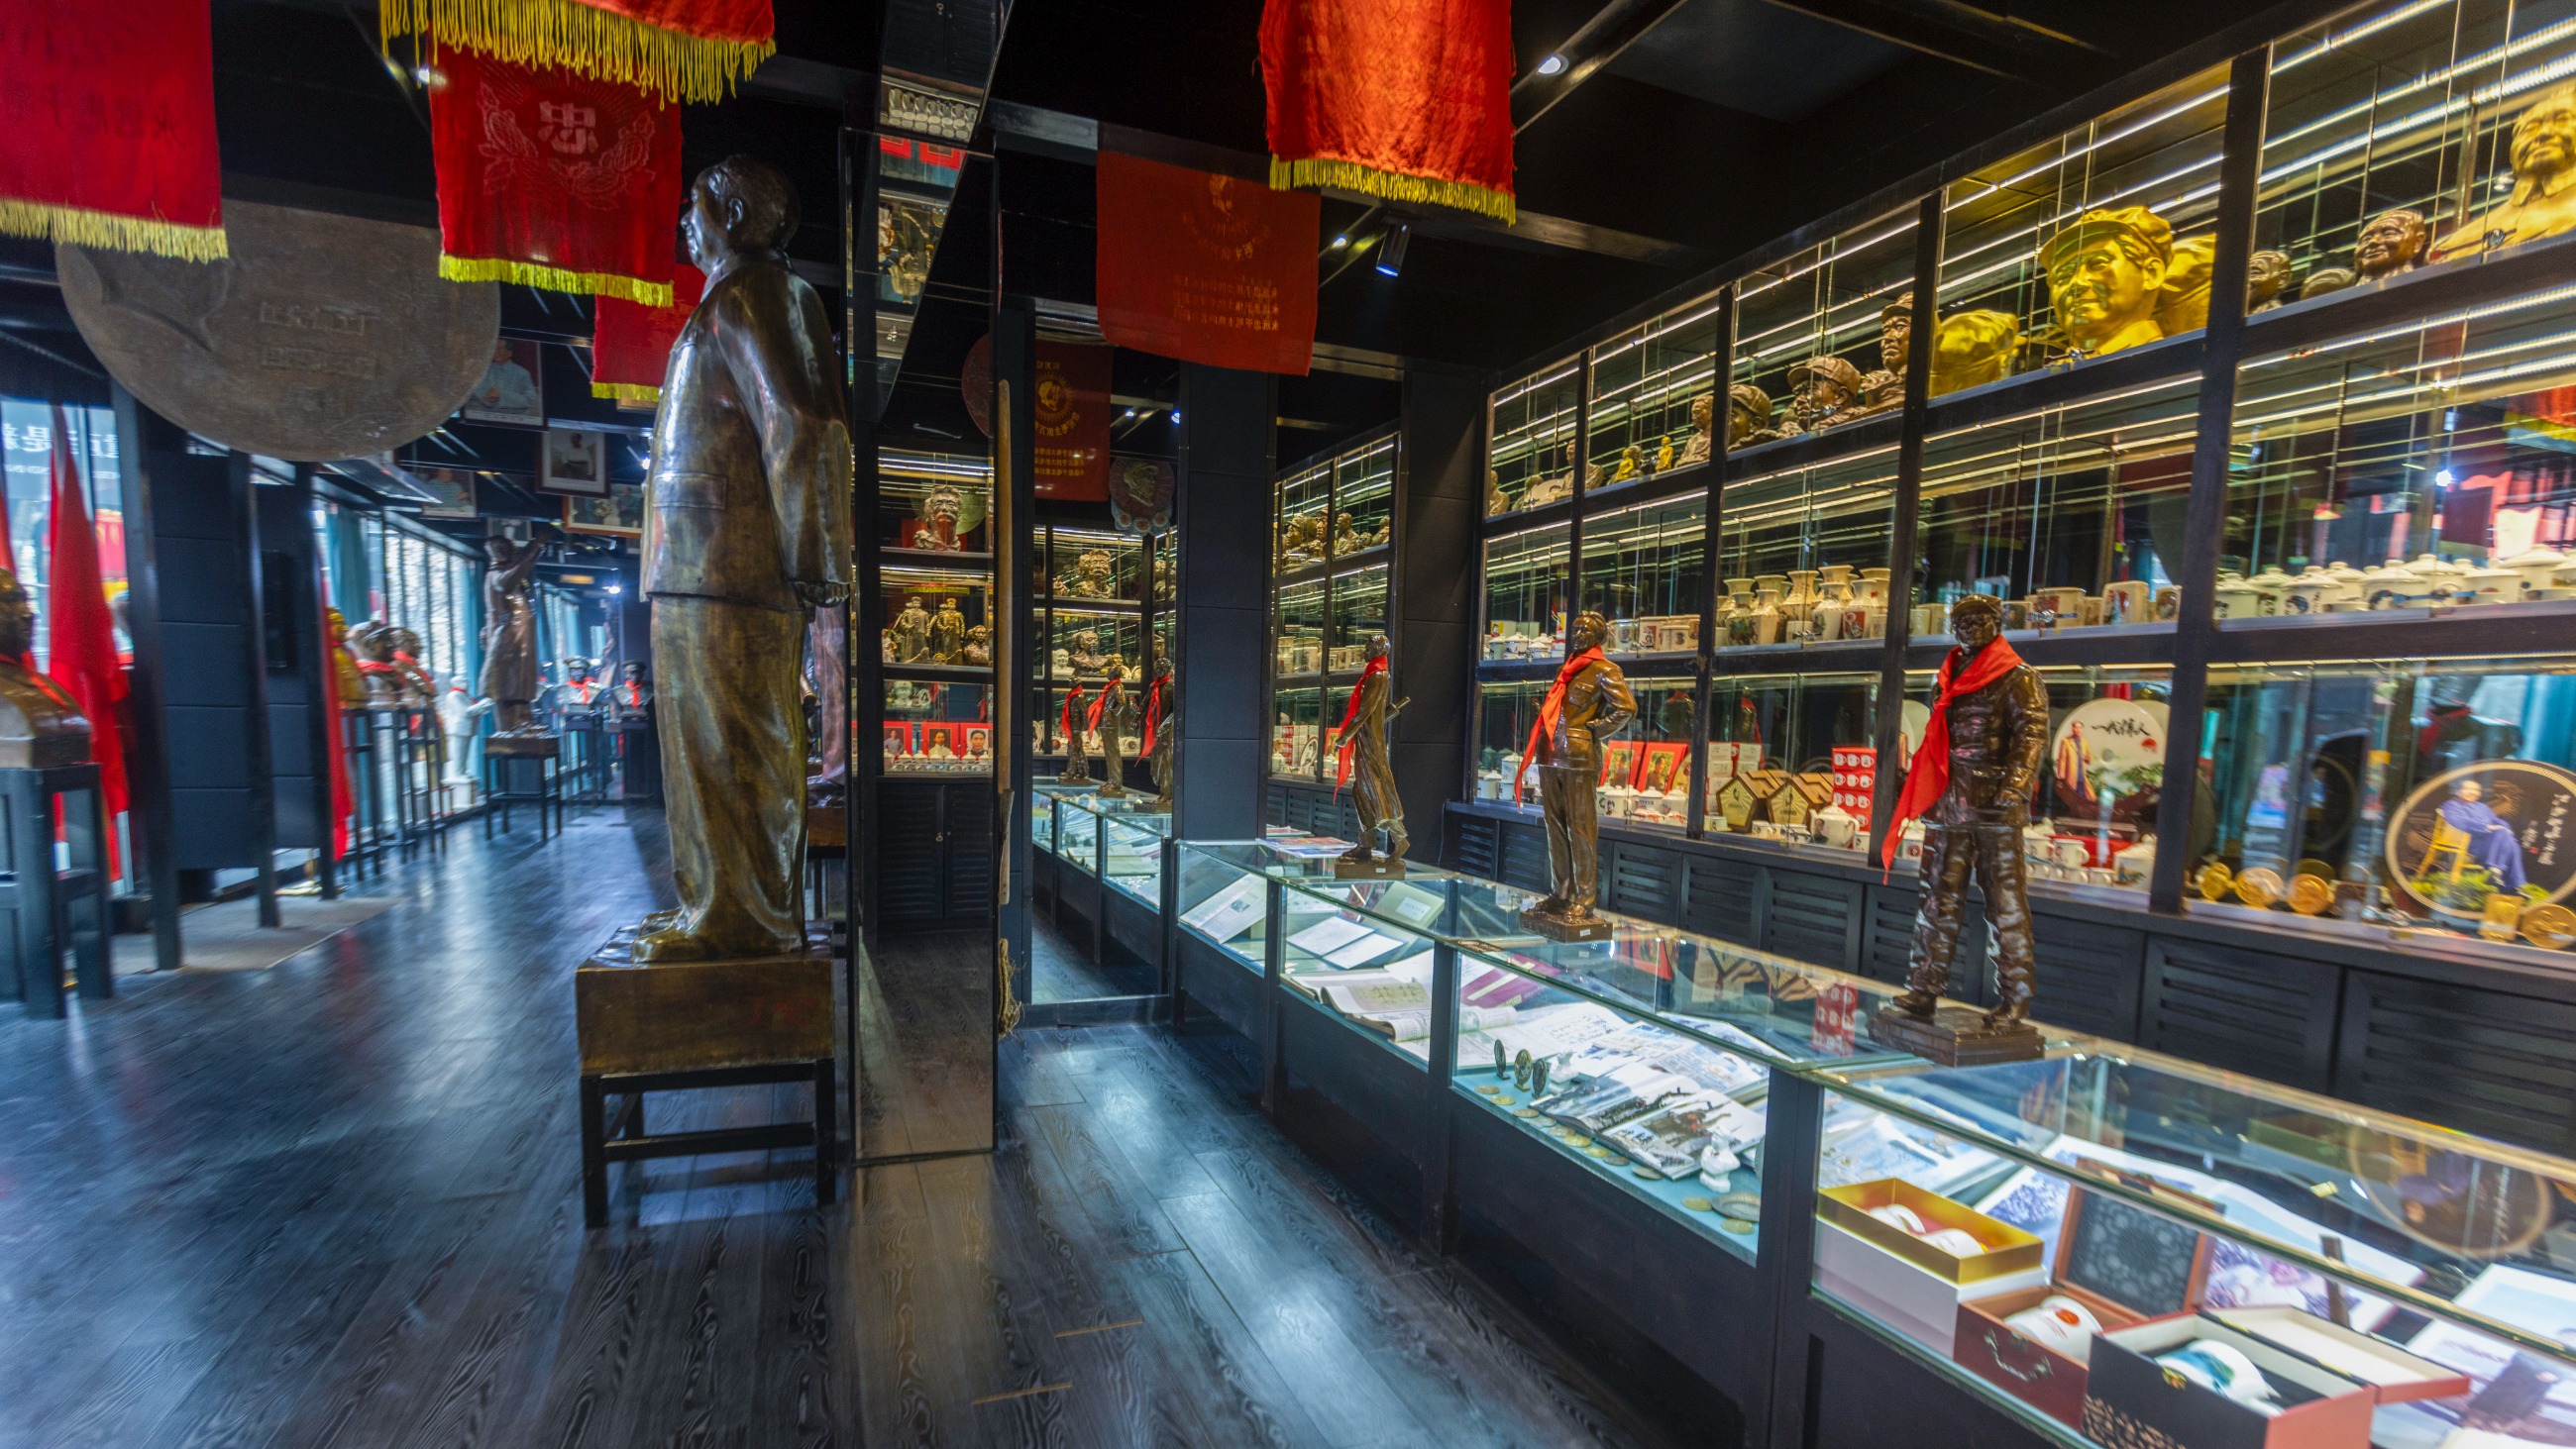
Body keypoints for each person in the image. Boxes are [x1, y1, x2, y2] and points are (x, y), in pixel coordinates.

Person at [634, 155, 853, 964]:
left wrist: (815, 557)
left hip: (733, 569)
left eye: (694, 205)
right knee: (702, 745)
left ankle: (748, 917)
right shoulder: (729, 299)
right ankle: (715, 909)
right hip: (699, 568)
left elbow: (807, 422)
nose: (685, 222)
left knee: (737, 745)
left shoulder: (761, 293)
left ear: (730, 212)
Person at [2039, 206, 2174, 357]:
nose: (2076, 283)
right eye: (2063, 276)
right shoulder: (2063, 365)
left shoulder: (2167, 360)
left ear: (2151, 273)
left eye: (2098, 264)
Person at [2439, 778, 2528, 895]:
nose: (2472, 792)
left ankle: (2506, 882)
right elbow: (2458, 821)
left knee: (2512, 843)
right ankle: (2507, 882)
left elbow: (2496, 821)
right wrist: (2486, 827)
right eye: (2467, 789)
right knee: (2505, 838)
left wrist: (2506, 829)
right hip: (2468, 844)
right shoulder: (2452, 805)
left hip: (2490, 846)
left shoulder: (2482, 807)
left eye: (2475, 790)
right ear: (2458, 791)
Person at [473, 340, 538, 416]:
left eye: (499, 349)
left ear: (509, 353)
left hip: (515, 419)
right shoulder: (482, 371)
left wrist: (502, 395)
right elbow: (476, 393)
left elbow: (529, 400)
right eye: (493, 348)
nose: (495, 352)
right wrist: (488, 399)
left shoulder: (522, 373)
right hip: (486, 417)